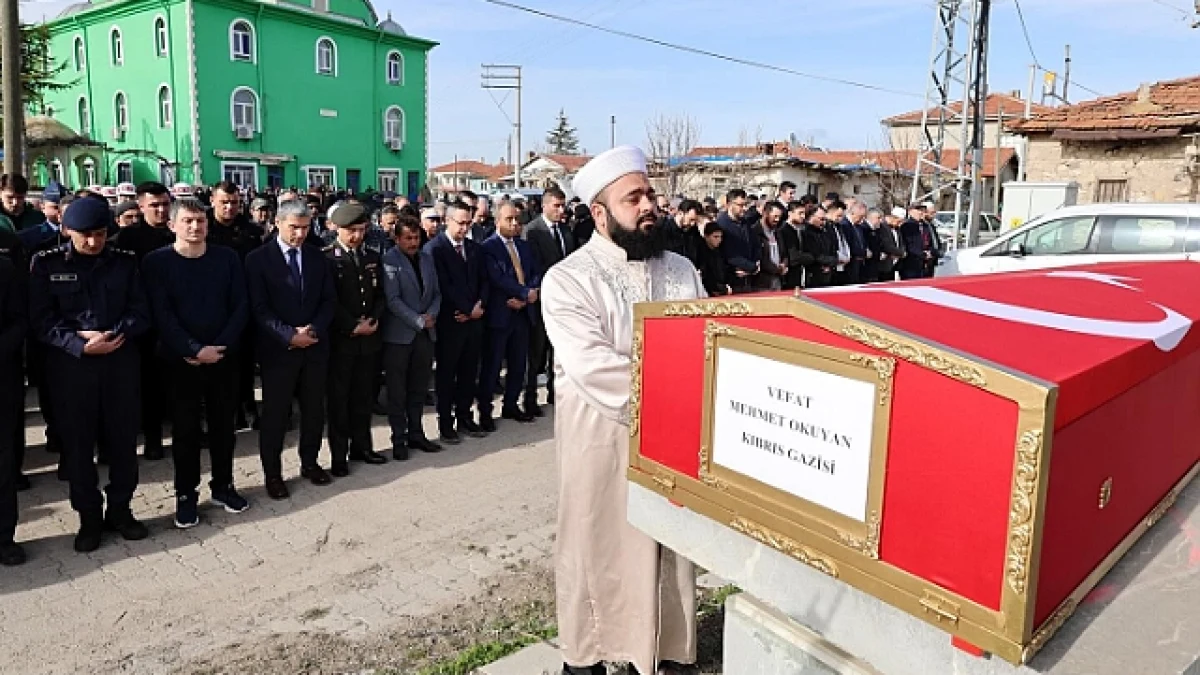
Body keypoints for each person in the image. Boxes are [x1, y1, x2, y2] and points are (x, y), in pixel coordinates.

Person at [541, 146, 702, 675]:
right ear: (599, 213)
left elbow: (704, 345)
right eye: (633, 197)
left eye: (650, 193)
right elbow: (595, 368)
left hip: (674, 441)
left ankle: (667, 652)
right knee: (599, 547)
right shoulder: (569, 278)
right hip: (603, 438)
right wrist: (673, 400)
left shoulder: (681, 270)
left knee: (670, 551)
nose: (648, 205)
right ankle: (590, 658)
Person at [28, 195, 151, 552]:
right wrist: (78, 344)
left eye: (100, 234)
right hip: (72, 369)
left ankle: (120, 511)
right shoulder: (46, 263)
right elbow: (40, 320)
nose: (93, 242)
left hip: (119, 363)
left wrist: (115, 333)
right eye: (85, 235)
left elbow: (142, 311)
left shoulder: (126, 263)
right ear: (67, 231)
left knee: (123, 444)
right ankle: (89, 518)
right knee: (79, 449)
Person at [142, 198, 250, 528]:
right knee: (186, 432)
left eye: (200, 221)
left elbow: (240, 305)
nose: (195, 227)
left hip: (222, 357)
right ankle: (186, 494)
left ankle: (223, 486)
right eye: (187, 221)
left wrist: (221, 346)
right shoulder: (157, 262)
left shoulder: (227, 258)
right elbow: (161, 315)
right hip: (180, 361)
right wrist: (191, 348)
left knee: (223, 428)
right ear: (172, 225)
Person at [244, 200, 337, 500]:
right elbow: (259, 308)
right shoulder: (257, 260)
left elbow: (328, 301)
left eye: (305, 227)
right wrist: (287, 335)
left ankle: (309, 463)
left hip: (313, 346)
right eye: (293, 227)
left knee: (313, 410)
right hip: (277, 352)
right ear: (278, 224)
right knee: (276, 416)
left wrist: (313, 330)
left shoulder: (317, 257)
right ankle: (273, 473)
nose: (299, 234)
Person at [323, 203, 388, 474]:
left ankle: (362, 446)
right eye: (351, 231)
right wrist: (351, 325)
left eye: (362, 230)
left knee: (363, 397)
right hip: (342, 341)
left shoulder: (372, 256)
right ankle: (339, 455)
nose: (357, 236)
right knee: (339, 401)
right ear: (337, 229)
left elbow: (381, 294)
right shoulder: (327, 258)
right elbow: (328, 300)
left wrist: (373, 319)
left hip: (368, 340)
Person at [116, 181, 176, 460]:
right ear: (141, 206)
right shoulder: (128, 239)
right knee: (149, 385)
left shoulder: (179, 231)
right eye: (155, 205)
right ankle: (153, 438)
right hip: (146, 323)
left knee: (182, 382)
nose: (162, 210)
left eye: (165, 204)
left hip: (180, 319)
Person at [426, 201, 488, 445]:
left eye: (468, 223)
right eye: (460, 223)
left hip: (473, 321)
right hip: (450, 321)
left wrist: (479, 306)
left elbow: (484, 280)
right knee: (446, 374)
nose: (464, 228)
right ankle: (445, 422)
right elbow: (442, 285)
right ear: (447, 221)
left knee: (468, 372)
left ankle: (465, 416)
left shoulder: (474, 248)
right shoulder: (435, 249)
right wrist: (464, 309)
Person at [380, 215, 442, 459]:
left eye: (416, 237)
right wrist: (417, 320)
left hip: (425, 334)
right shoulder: (389, 261)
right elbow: (392, 299)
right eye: (408, 238)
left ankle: (417, 433)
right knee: (397, 391)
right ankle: (399, 438)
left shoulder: (427, 259)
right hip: (399, 336)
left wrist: (431, 315)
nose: (413, 242)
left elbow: (436, 292)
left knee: (419, 387)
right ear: (397, 239)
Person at [208, 181, 267, 430]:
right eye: (224, 202)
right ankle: (226, 411)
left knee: (246, 360)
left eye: (234, 202)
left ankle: (248, 406)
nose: (230, 207)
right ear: (213, 201)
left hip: (246, 302)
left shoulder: (251, 231)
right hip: (215, 304)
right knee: (220, 362)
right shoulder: (204, 228)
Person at [478, 202, 541, 429]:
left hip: (523, 313)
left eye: (517, 219)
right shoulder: (488, 247)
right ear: (497, 221)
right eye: (509, 219)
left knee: (518, 363)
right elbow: (497, 278)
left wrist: (528, 295)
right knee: (493, 365)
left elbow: (534, 273)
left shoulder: (524, 246)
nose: (515, 223)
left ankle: (511, 404)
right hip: (500, 312)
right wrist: (523, 292)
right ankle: (485, 411)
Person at [521, 186, 575, 414]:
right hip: (541, 300)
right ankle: (530, 398)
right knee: (536, 352)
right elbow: (532, 266)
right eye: (557, 205)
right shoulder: (532, 231)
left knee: (559, 351)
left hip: (564, 301)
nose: (561, 210)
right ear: (545, 205)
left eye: (563, 205)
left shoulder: (565, 231)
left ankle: (556, 393)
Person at [0, 254, 25, 565]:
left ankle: (4, 537)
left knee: (3, 463)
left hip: (2, 377)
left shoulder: (4, 268)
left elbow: (20, 319)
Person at [717, 188, 759, 292]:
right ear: (730, 205)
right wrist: (750, 267)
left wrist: (755, 265)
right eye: (741, 205)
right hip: (732, 279)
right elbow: (728, 254)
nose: (744, 208)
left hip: (749, 277)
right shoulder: (722, 225)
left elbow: (755, 244)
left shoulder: (745, 223)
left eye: (746, 205)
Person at [753, 201, 790, 291]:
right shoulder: (754, 232)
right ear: (765, 214)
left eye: (779, 217)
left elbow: (784, 253)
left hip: (778, 280)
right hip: (761, 283)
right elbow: (759, 258)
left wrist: (784, 264)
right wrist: (776, 269)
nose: (777, 220)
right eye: (775, 216)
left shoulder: (777, 232)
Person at [801, 205, 838, 289]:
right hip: (813, 273)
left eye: (825, 219)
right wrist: (828, 262)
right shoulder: (806, 232)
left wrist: (832, 262)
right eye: (821, 219)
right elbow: (813, 254)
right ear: (811, 217)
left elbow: (832, 248)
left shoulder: (824, 232)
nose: (824, 222)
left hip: (827, 272)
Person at [695, 221, 731, 296]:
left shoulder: (719, 252)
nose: (719, 240)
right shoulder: (700, 254)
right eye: (715, 237)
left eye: (720, 237)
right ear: (706, 237)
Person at [900, 204, 929, 281]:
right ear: (910, 212)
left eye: (922, 211)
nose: (921, 213)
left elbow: (928, 240)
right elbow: (908, 244)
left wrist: (930, 252)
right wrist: (921, 254)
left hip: (924, 262)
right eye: (918, 210)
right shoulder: (906, 226)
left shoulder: (925, 225)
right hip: (911, 262)